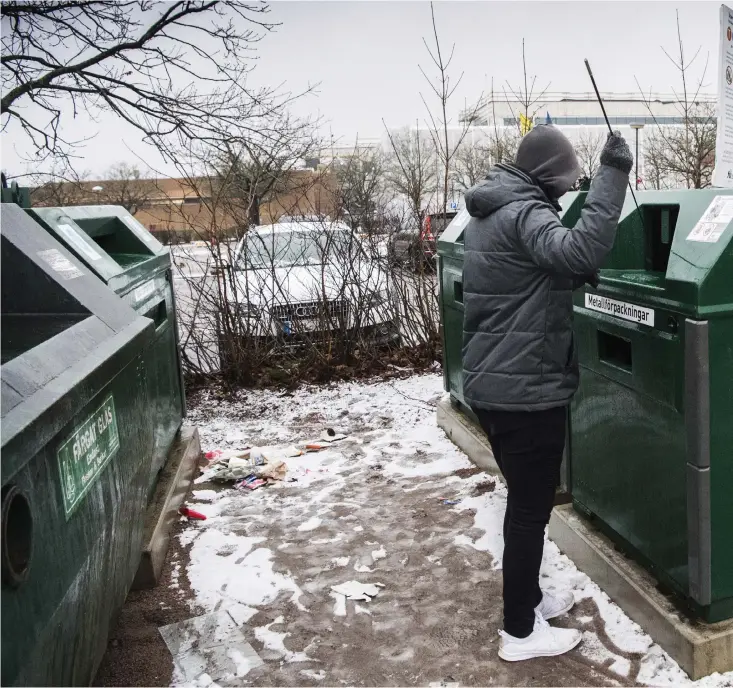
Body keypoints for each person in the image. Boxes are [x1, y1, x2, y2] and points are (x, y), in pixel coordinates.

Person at [462, 125, 633, 662]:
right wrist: (612, 175)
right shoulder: (527, 213)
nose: (565, 189)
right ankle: (519, 632)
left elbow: (524, 279)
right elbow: (579, 249)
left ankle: (529, 600)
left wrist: (565, 279)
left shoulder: (492, 212)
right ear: (549, 175)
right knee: (530, 510)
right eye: (566, 178)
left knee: (524, 502)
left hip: (495, 385)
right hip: (526, 391)